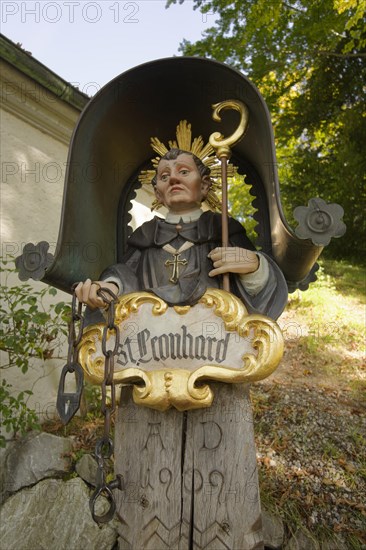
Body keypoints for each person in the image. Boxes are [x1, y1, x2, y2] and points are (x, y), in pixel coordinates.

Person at [75, 149, 288, 320]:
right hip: (151, 344)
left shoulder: (223, 229)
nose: (174, 179)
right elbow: (126, 274)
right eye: (165, 176)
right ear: (158, 192)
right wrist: (111, 287)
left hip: (213, 345)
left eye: (184, 172)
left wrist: (254, 267)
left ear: (204, 185)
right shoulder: (146, 236)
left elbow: (259, 293)